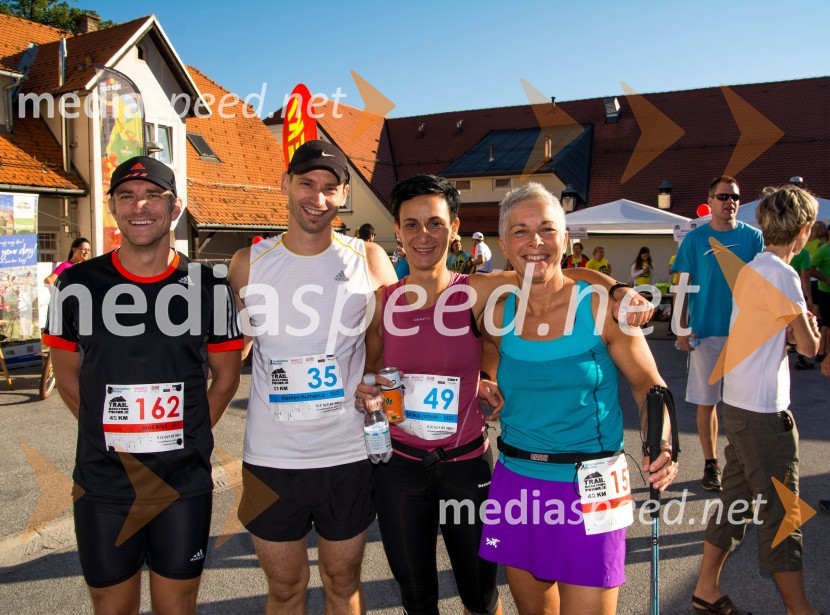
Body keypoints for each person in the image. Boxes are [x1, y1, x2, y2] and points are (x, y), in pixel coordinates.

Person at [355, 175, 655, 615]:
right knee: (416, 594)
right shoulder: (383, 302)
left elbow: (550, 271)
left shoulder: (478, 290)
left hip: (469, 463)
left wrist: (615, 288)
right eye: (412, 224)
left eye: (435, 223)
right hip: (403, 465)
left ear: (454, 228)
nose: (424, 235)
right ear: (396, 231)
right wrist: (370, 391)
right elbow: (372, 367)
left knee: (481, 595)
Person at [44, 156, 242, 614]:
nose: (140, 207)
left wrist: (189, 435)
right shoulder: (75, 285)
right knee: (112, 608)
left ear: (174, 208)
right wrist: (113, 434)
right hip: (104, 483)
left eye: (154, 195)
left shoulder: (208, 285)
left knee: (177, 607)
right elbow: (68, 375)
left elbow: (227, 377)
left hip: (181, 483)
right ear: (113, 207)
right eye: (128, 196)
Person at [477, 183, 678, 615]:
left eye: (548, 229)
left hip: (593, 485)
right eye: (520, 232)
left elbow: (649, 384)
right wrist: (484, 377)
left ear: (566, 240)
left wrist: (662, 442)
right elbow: (491, 351)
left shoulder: (600, 307)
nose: (535, 242)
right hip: (517, 482)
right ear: (505, 245)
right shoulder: (497, 310)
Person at [228, 140, 397, 614]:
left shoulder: (368, 259)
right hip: (270, 457)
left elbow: (388, 342)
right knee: (284, 588)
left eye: (329, 188)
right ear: (285, 185)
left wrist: (373, 381)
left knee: (342, 583)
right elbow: (233, 349)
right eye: (306, 184)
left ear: (343, 195)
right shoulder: (247, 264)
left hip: (345, 453)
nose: (317, 199)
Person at [692, 185, 821, 615]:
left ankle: (706, 588)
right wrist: (810, 332)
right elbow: (808, 347)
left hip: (740, 404)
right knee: (784, 514)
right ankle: (800, 610)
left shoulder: (752, 267)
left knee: (737, 502)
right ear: (802, 230)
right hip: (765, 412)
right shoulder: (784, 274)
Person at [672, 176, 763, 491]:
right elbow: (681, 287)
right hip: (705, 334)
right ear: (710, 201)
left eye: (735, 197)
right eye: (723, 196)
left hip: (745, 336)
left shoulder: (754, 238)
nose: (730, 202)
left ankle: (741, 462)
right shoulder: (696, 240)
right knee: (707, 401)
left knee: (745, 404)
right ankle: (711, 464)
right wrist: (681, 327)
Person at [806, 222, 829, 364]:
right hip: (821, 288)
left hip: (816, 285)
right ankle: (822, 351)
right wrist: (826, 279)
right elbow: (810, 268)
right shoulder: (822, 248)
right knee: (825, 322)